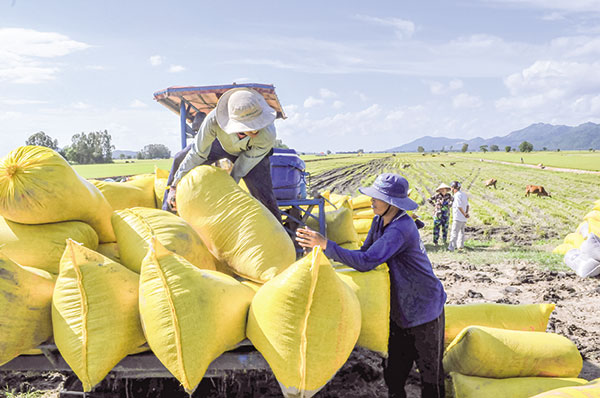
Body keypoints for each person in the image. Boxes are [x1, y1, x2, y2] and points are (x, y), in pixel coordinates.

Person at [296, 173, 447, 398]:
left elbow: (367, 262)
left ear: (393, 203)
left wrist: (327, 244)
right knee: (394, 374)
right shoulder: (379, 221)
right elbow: (365, 252)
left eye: (378, 198)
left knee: (430, 377)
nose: (371, 201)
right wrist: (327, 253)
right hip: (401, 310)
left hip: (424, 310)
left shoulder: (400, 229)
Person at [165, 87, 281, 222]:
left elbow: (242, 167)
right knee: (180, 157)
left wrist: (228, 187)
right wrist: (175, 185)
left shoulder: (267, 134)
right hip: (220, 144)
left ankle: (281, 234)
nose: (255, 129)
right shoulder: (213, 121)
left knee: (264, 194)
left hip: (251, 152)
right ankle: (167, 217)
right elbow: (197, 153)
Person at [447, 181, 469, 252]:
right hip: (463, 218)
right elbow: (467, 205)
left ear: (453, 188)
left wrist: (464, 214)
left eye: (451, 188)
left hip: (458, 217)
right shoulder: (464, 194)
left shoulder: (456, 195)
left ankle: (451, 248)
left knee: (454, 232)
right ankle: (460, 246)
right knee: (461, 232)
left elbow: (459, 206)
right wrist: (466, 213)